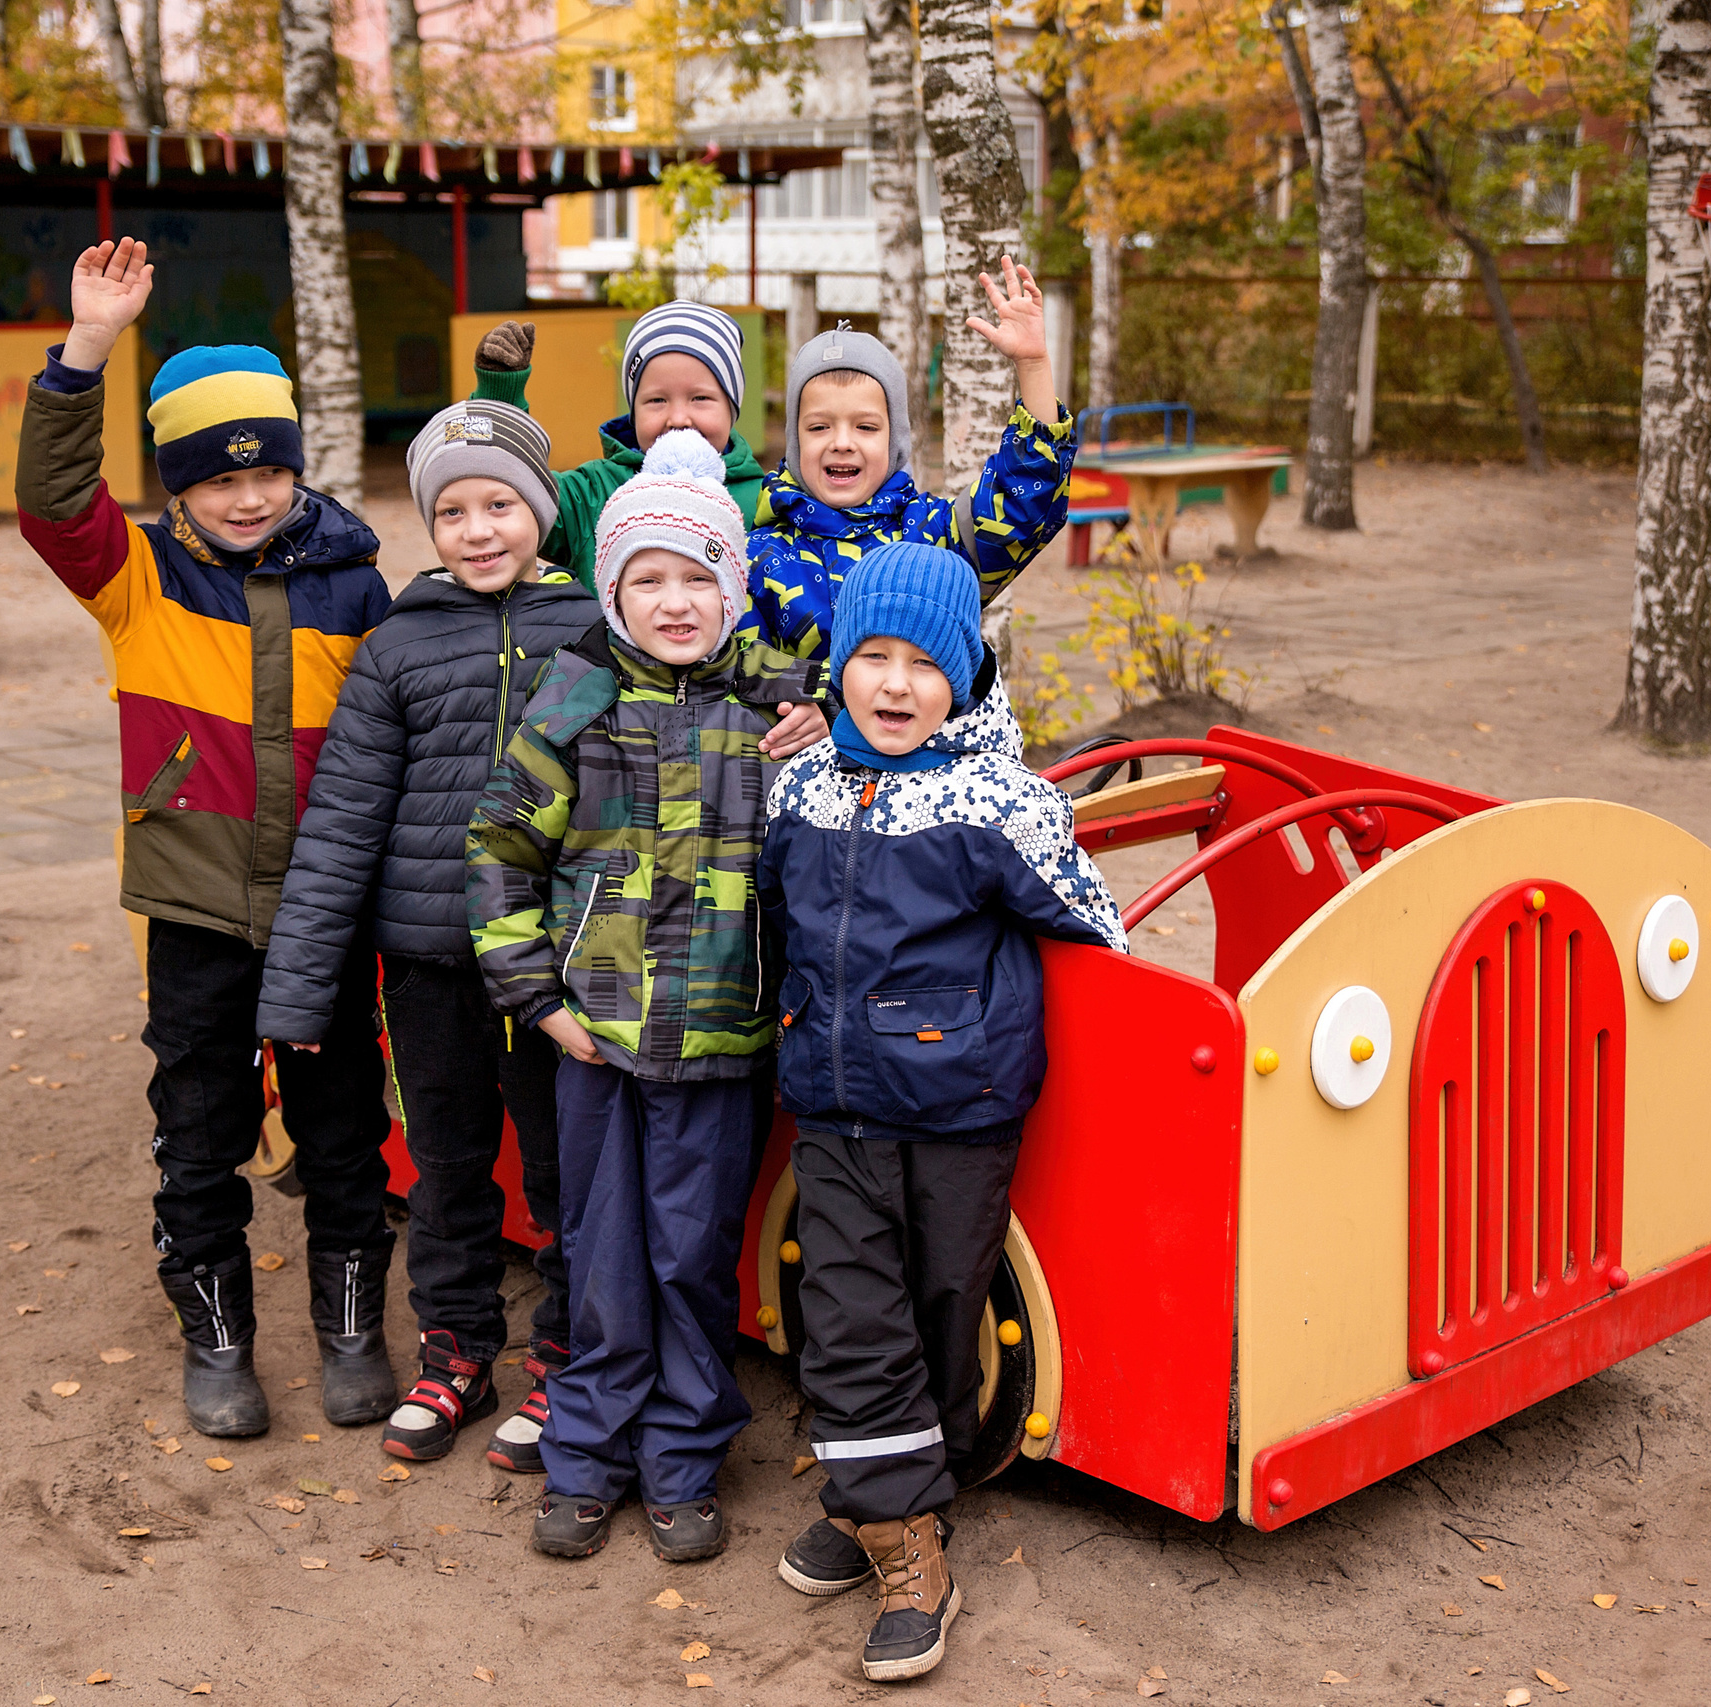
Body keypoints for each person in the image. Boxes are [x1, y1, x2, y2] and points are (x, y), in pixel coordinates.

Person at [254, 402, 823, 1469]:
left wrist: (820, 709)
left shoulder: (595, 632)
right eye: (454, 509)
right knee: (447, 1162)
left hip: (573, 971)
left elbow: (751, 675)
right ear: (428, 523)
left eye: (503, 504)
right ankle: (456, 1345)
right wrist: (295, 992)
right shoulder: (397, 645)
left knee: (569, 1176)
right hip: (431, 955)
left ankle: (565, 1358)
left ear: (542, 515)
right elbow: (340, 820)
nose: (480, 529)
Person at [15, 237, 395, 1439]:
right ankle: (217, 1343)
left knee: (343, 1137)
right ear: (175, 487)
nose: (245, 499)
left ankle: (350, 1334)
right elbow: (50, 501)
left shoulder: (359, 586)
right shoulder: (136, 577)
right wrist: (88, 350)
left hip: (328, 911)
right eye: (215, 481)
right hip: (197, 910)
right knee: (200, 1132)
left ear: (295, 469)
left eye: (266, 475)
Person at [757, 540, 1129, 1682]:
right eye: (871, 654)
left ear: (965, 676)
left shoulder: (1000, 802)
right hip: (831, 1102)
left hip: (959, 1101)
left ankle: (890, 1495)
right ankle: (906, 1543)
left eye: (925, 661)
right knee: (849, 1313)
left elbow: (1093, 925)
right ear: (839, 666)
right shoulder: (802, 783)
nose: (895, 682)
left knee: (937, 1310)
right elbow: (774, 909)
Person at [466, 431, 825, 1564]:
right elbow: (498, 851)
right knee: (600, 1254)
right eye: (648, 579)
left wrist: (828, 736)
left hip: (721, 1040)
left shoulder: (778, 701)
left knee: (688, 1256)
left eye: (699, 576)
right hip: (596, 1045)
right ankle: (585, 1456)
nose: (676, 601)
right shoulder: (571, 698)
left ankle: (679, 1460)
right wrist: (538, 998)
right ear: (613, 590)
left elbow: (917, 719)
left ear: (731, 585)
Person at [748, 258, 1076, 661]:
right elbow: (733, 675)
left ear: (895, 441)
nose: (842, 442)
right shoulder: (759, 555)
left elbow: (1022, 506)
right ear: (794, 443)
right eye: (819, 428)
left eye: (866, 428)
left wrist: (1033, 366)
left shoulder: (929, 536)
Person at [466, 302, 768, 586]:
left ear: (732, 409)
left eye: (700, 398)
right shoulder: (592, 494)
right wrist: (500, 397)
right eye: (657, 400)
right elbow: (511, 490)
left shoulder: (768, 502)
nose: (678, 418)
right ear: (633, 413)